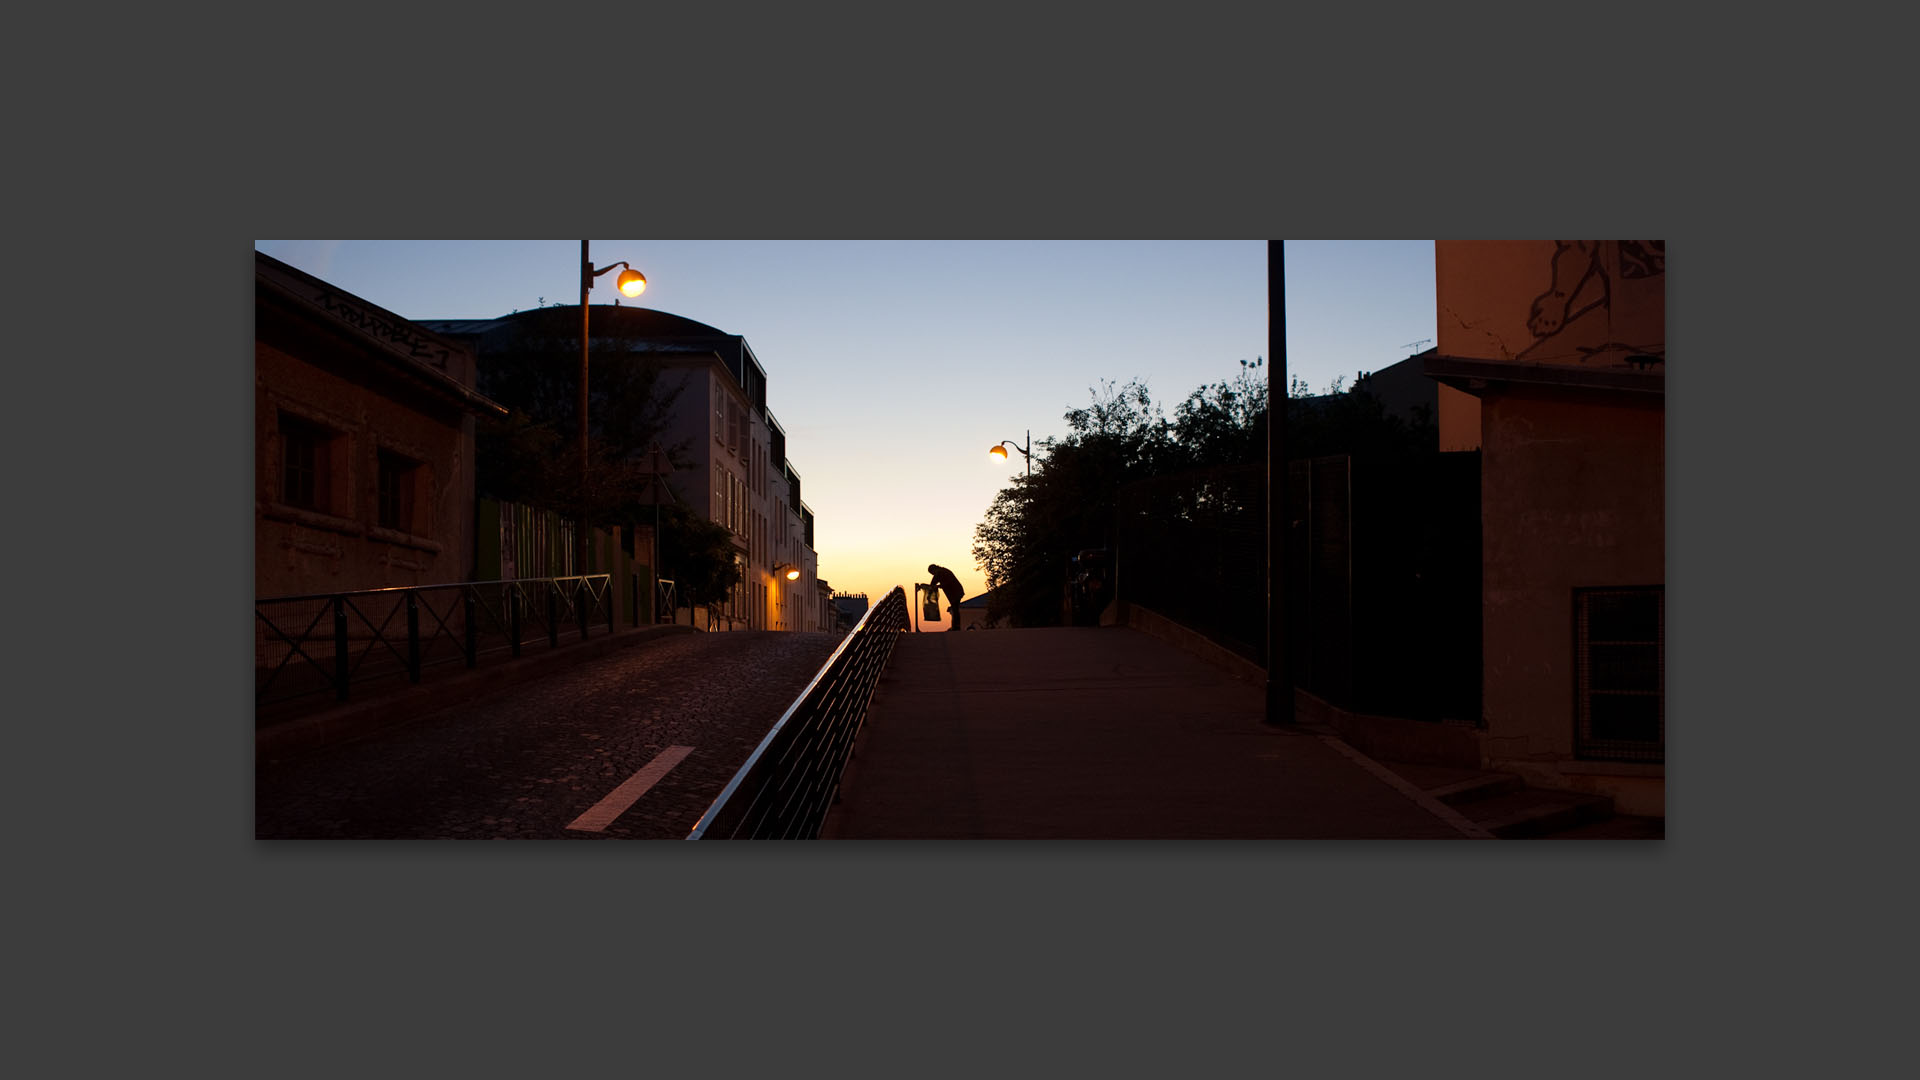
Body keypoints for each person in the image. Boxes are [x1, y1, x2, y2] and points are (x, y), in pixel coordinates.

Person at [926, 563, 966, 631]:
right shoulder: (941, 572)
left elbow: (947, 583)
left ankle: (956, 627)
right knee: (954, 609)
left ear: (934, 569)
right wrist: (930, 593)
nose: (933, 575)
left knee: (955, 609)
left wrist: (937, 587)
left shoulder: (941, 572)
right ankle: (955, 626)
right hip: (956, 592)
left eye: (932, 573)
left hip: (956, 592)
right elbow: (933, 583)